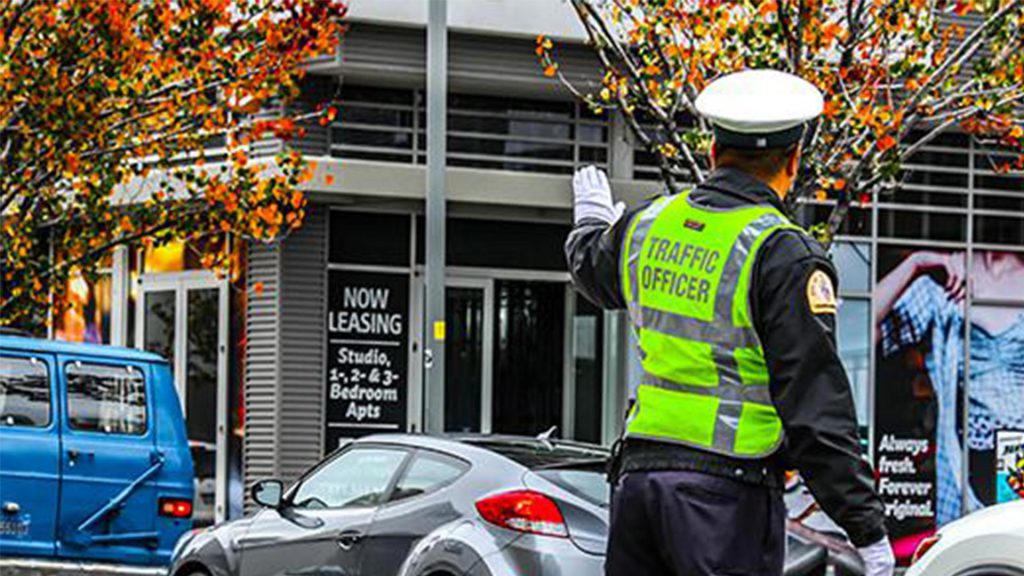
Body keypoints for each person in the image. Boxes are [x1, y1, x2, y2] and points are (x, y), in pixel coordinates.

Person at [565, 69, 894, 576]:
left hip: (639, 484)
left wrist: (589, 223)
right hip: (723, 497)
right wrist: (866, 529)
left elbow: (593, 270)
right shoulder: (782, 253)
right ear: (793, 160)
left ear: (714, 153)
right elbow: (814, 402)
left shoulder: (650, 223)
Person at [875, 250, 1024, 523]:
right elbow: (865, 327)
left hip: (1019, 450)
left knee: (1013, 544)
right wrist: (915, 264)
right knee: (974, 549)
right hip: (967, 456)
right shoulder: (944, 279)